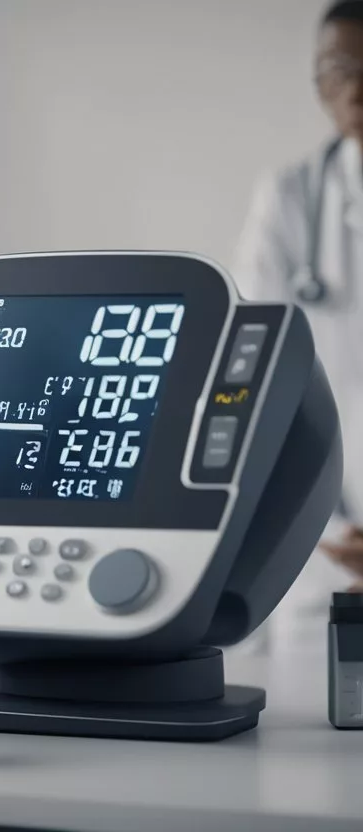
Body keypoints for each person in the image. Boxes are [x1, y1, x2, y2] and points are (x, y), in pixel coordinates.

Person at [232, 0, 363, 655]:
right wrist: (331, 526)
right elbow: (260, 383)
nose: (355, 86)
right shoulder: (287, 200)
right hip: (325, 547)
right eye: (337, 69)